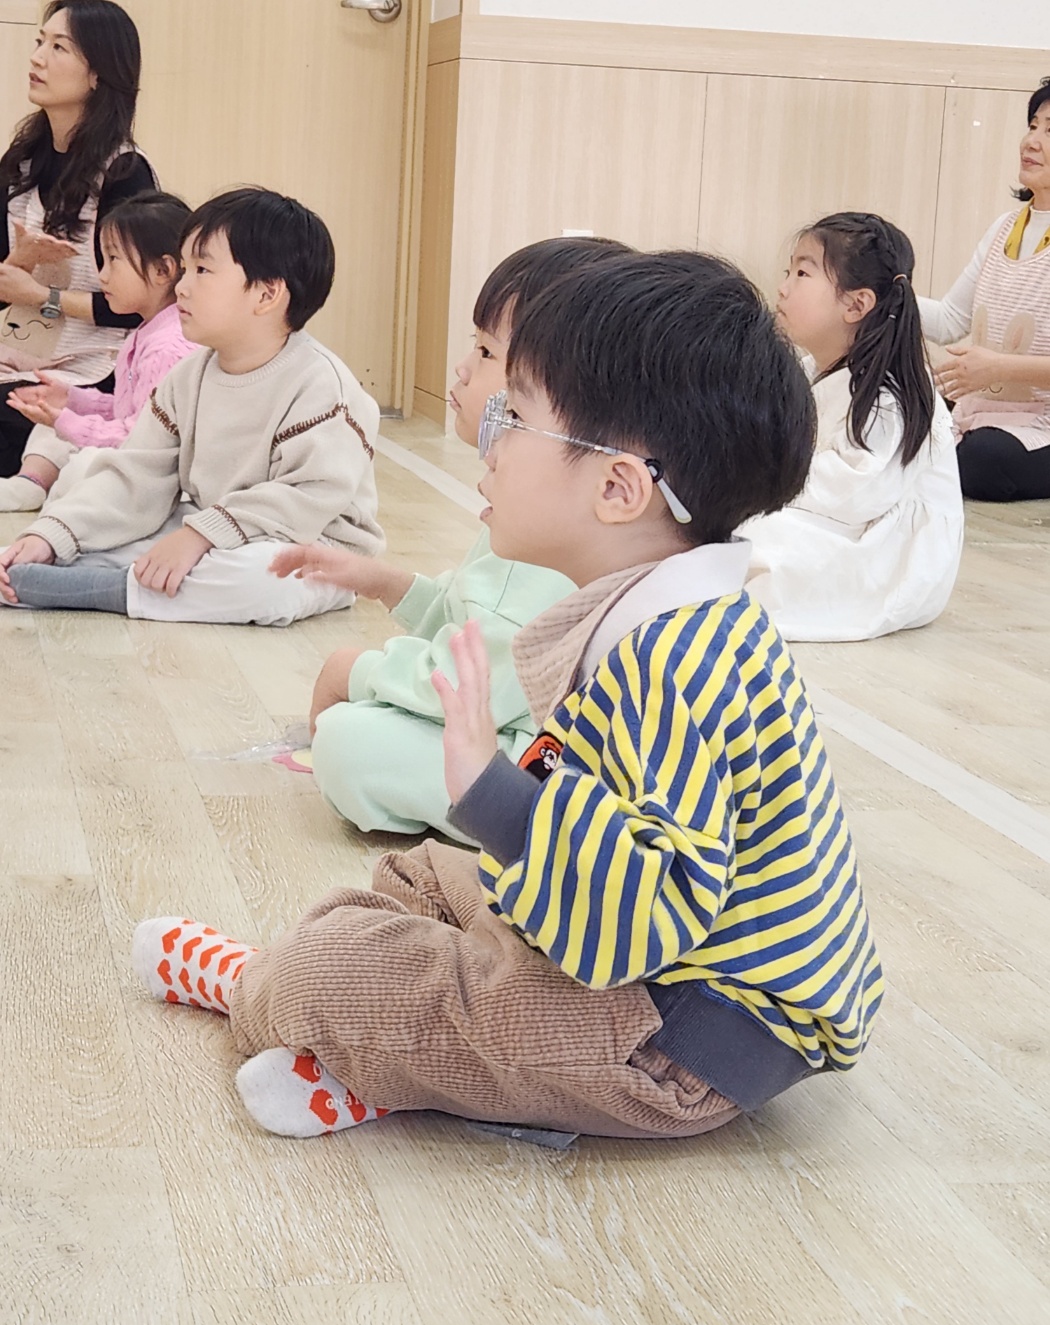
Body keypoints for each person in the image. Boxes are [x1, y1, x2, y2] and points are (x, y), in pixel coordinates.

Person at [130, 250, 883, 1143]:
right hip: (650, 974)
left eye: (515, 417)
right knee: (424, 877)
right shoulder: (664, 614)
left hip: (680, 1042)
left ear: (617, 487)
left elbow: (649, 914)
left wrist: (493, 788)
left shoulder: (673, 662)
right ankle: (407, 1051)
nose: (489, 437)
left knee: (332, 972)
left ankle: (275, 991)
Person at [274, 237, 628, 841]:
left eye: (487, 351)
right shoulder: (548, 506)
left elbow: (470, 679)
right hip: (535, 727)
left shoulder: (545, 529)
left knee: (348, 743)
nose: (463, 368)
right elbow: (475, 617)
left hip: (548, 767)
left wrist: (354, 671)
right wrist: (385, 583)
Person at [0, 187, 383, 626]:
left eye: (202, 270)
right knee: (107, 531)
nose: (181, 286)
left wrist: (201, 535)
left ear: (266, 294)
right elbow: (137, 475)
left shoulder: (323, 385)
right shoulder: (188, 377)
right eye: (184, 269)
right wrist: (51, 536)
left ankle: (99, 589)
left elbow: (308, 497)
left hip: (315, 546)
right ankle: (28, 568)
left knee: (262, 579)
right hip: (213, 525)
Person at [743, 212, 962, 642]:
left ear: (856, 305)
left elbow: (856, 493)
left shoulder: (887, 394)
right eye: (788, 272)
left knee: (752, 538)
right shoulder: (812, 368)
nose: (783, 287)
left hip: (890, 555)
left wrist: (763, 486)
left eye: (802, 273)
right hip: (840, 520)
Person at [0, 1, 157, 479]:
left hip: (91, 370)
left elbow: (137, 304)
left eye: (59, 47)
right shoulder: (22, 162)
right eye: (39, 42)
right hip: (17, 352)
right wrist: (19, 264)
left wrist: (42, 296)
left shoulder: (125, 173)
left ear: (97, 74)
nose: (37, 58)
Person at [1, 190, 195, 512]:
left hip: (152, 471)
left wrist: (69, 422)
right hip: (133, 444)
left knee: (83, 461)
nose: (102, 276)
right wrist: (72, 399)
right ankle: (30, 483)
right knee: (55, 424)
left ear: (163, 270)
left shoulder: (168, 348)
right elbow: (126, 409)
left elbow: (143, 440)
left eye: (113, 260)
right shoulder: (146, 332)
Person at [921, 77, 1050, 501]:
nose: (1031, 141)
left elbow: (996, 367)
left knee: (983, 460)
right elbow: (948, 321)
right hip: (984, 411)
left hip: (1040, 424)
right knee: (904, 414)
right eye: (1033, 125)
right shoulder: (1004, 228)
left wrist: (999, 369)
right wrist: (883, 294)